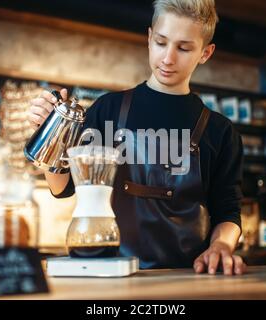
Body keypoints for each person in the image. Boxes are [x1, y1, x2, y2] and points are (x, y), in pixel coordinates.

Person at [28, 0, 247, 275]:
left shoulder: (220, 131)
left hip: (190, 277)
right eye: (161, 42)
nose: (168, 58)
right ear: (148, 38)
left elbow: (228, 210)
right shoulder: (108, 109)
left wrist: (222, 246)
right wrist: (52, 132)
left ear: (205, 53)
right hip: (112, 272)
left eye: (183, 47)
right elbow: (63, 187)